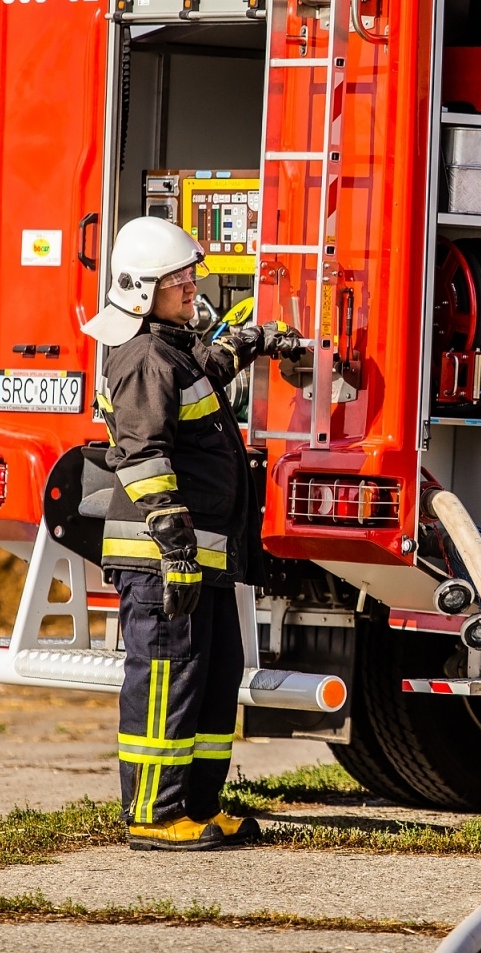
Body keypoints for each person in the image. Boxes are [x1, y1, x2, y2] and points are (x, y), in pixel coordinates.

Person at [82, 216, 300, 851]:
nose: (190, 286)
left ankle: (199, 803)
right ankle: (154, 813)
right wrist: (176, 548)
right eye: (178, 278)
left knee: (212, 674)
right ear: (142, 289)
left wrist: (251, 342)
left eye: (189, 275)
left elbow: (206, 366)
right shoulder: (144, 358)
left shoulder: (169, 349)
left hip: (199, 559)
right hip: (164, 560)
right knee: (165, 680)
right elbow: (145, 458)